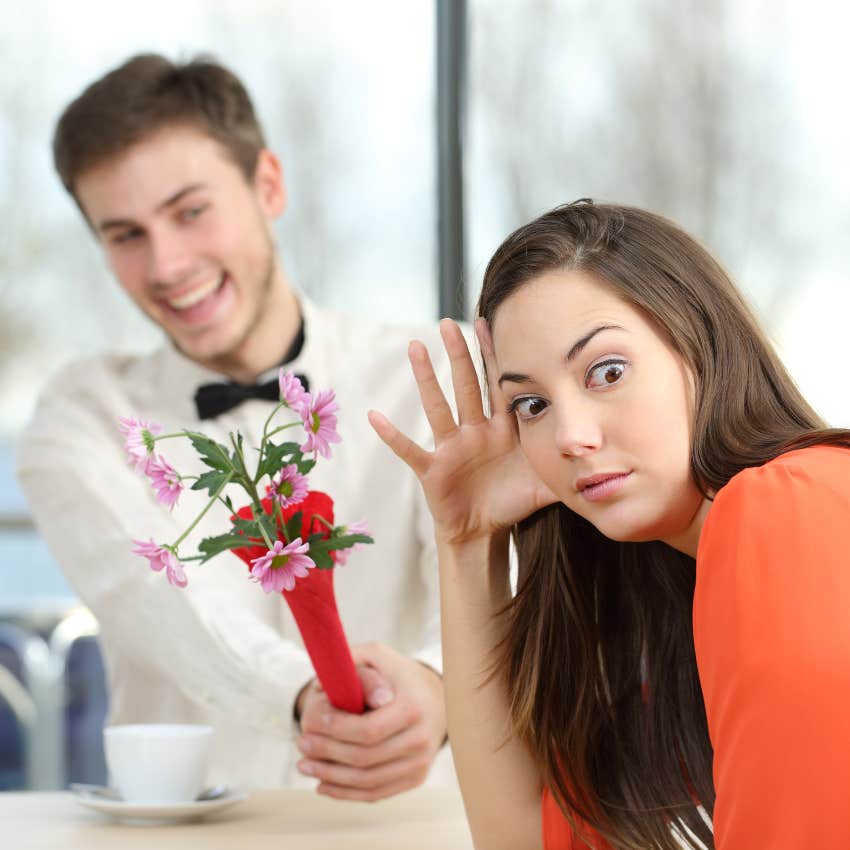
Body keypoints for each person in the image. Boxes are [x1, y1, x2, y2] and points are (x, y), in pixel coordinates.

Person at [16, 53, 457, 798]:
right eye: (125, 235)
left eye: (191, 212)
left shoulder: (426, 375)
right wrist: (305, 698)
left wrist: (440, 691)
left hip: (406, 832)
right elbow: (155, 600)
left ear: (269, 185)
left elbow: (497, 596)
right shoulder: (81, 417)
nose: (167, 264)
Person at [369, 199, 850, 849]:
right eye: (532, 404)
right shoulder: (665, 593)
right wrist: (468, 542)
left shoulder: (786, 505)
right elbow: (519, 841)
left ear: (698, 343)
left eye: (607, 372)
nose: (570, 435)